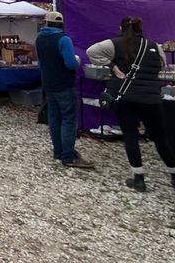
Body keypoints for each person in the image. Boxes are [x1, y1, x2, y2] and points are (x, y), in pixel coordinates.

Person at [87, 16, 175, 191]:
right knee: (160, 138)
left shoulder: (115, 44)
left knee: (131, 136)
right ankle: (173, 173)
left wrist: (113, 66)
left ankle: (139, 177)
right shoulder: (154, 46)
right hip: (151, 98)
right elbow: (162, 65)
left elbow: (91, 51)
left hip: (126, 97)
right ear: (141, 29)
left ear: (121, 27)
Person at [35, 11, 94, 168]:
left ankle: (58, 151)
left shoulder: (39, 39)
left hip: (48, 83)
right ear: (61, 24)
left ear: (46, 22)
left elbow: (41, 61)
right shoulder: (63, 39)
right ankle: (68, 156)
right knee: (68, 118)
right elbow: (70, 64)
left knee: (54, 118)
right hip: (63, 84)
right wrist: (77, 60)